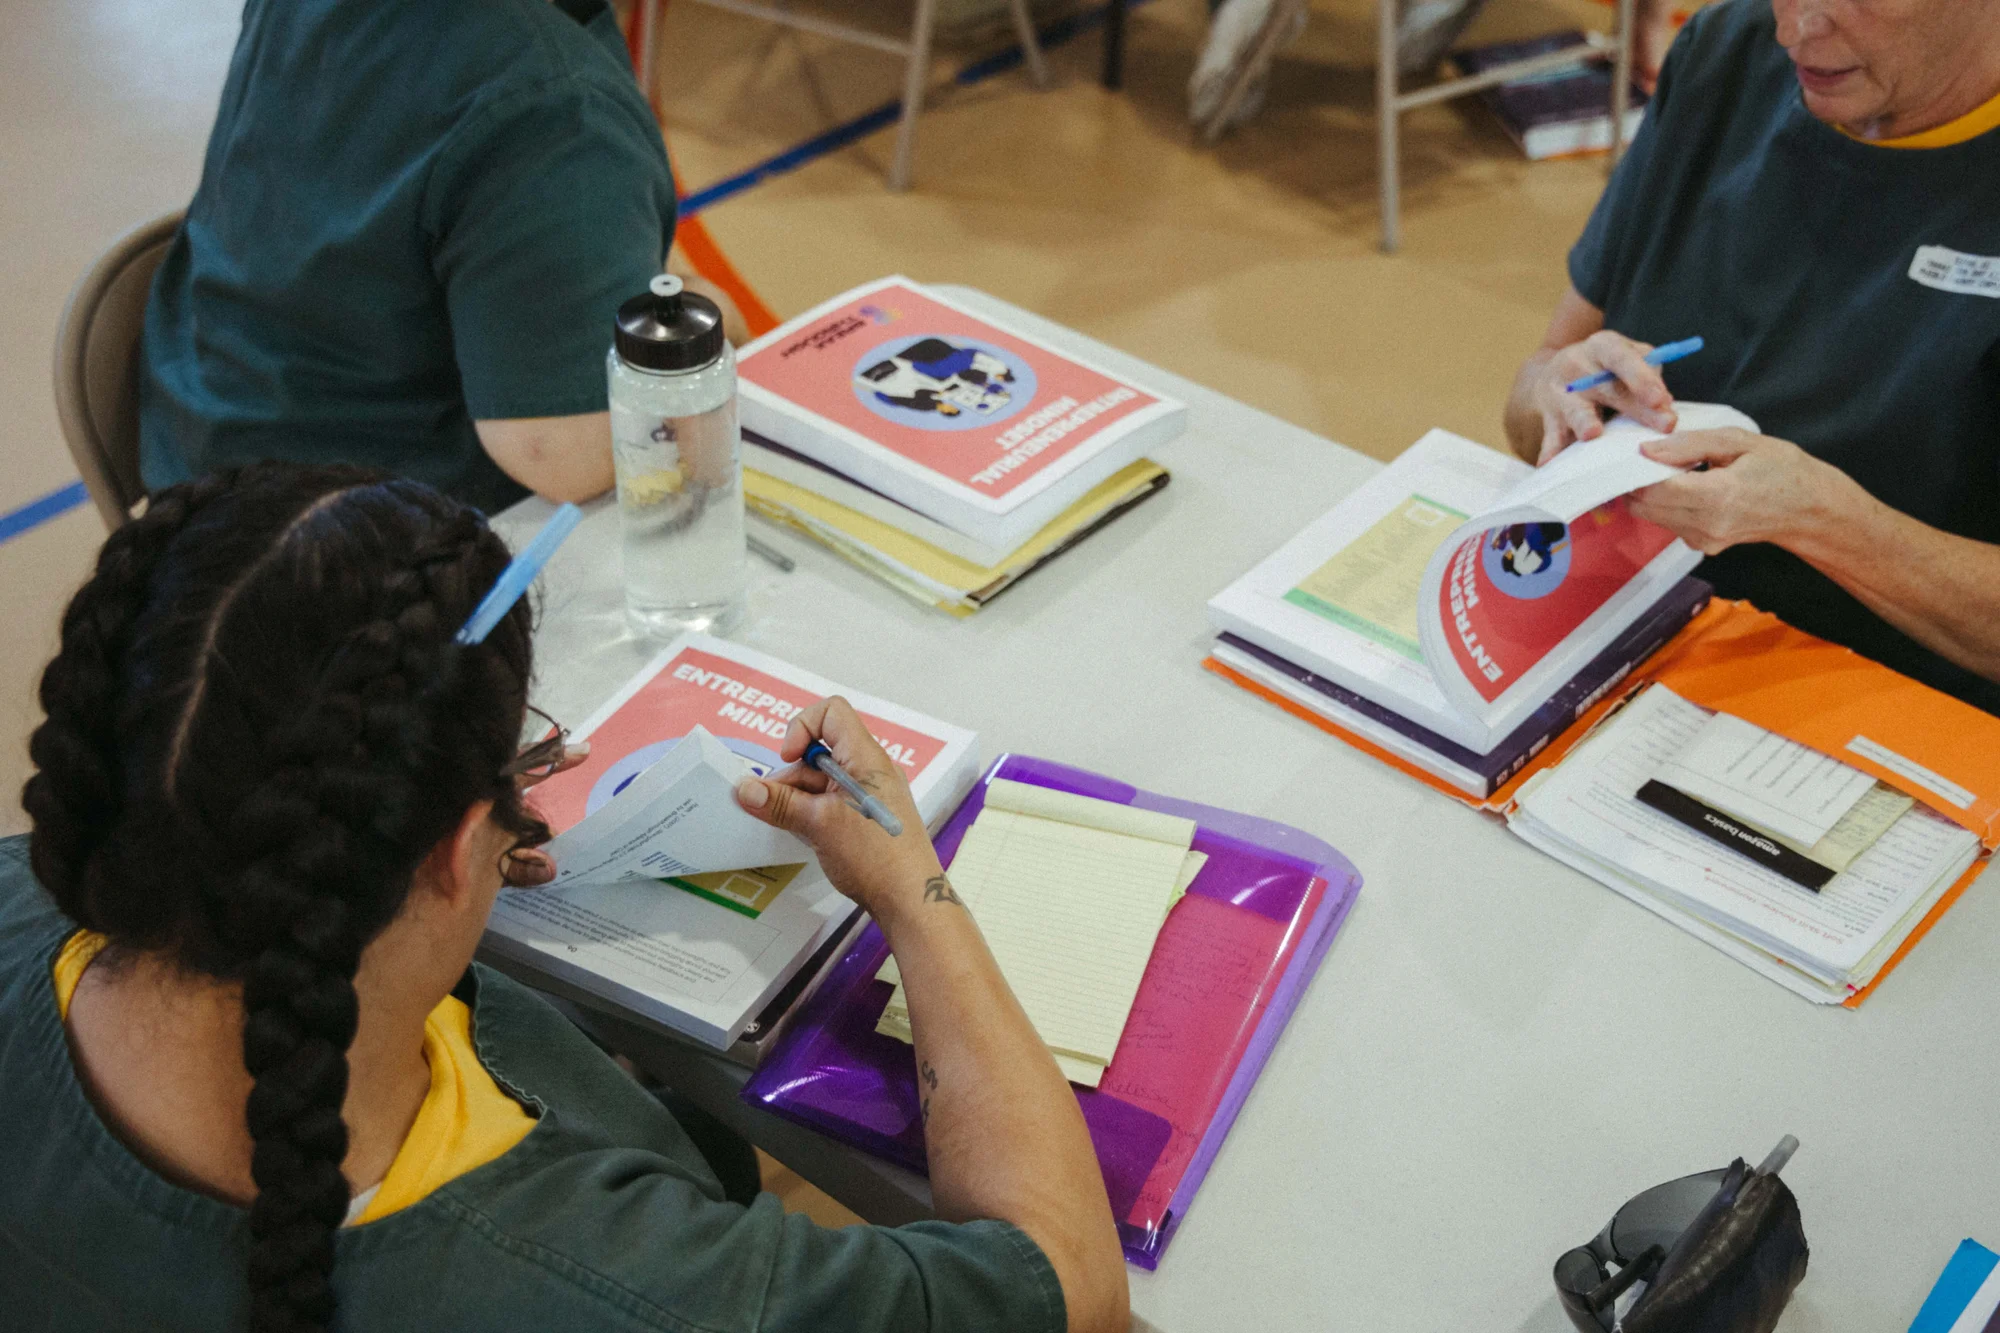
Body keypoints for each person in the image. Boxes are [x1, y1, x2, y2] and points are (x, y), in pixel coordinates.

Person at [0, 463, 1128, 1332]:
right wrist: (910, 884)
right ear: (451, 850)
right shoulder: (625, 1283)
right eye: (512, 771)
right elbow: (1068, 1283)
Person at [1505, 0, 2000, 713]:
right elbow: (1534, 387)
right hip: (1621, 644)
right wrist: (1556, 395)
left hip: (1876, 705)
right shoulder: (1726, 53)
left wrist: (1829, 525)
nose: (1794, 29)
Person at [139, 0, 723, 513]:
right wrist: (708, 319)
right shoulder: (552, 109)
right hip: (346, 559)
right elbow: (572, 457)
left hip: (203, 467)